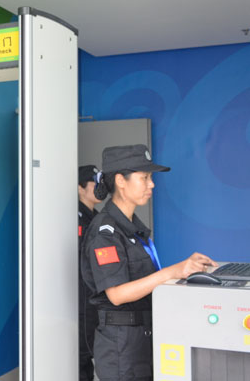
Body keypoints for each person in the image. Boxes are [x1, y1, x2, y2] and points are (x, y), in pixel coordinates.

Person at [80, 144, 216, 381]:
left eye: (150, 178)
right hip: (121, 347)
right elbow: (117, 294)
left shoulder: (133, 228)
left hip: (141, 338)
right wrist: (172, 272)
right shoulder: (105, 232)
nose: (151, 184)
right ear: (121, 181)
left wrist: (185, 270)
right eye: (144, 178)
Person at [77, 164, 102, 381]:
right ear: (80, 188)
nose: (99, 188)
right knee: (82, 353)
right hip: (81, 294)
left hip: (94, 293)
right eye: (94, 184)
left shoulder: (97, 217)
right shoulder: (75, 217)